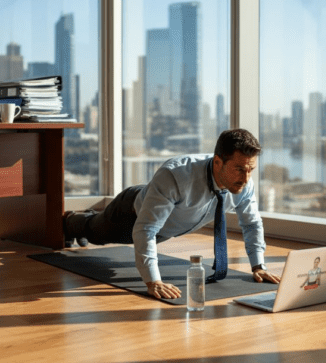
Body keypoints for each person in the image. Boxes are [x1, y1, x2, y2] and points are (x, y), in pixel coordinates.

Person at [63, 128, 281, 299]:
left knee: (109, 236)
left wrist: (258, 265)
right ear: (217, 162)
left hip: (165, 223)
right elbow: (146, 228)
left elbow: (251, 224)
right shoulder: (177, 175)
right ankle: (70, 221)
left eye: (251, 169)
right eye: (240, 169)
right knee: (97, 233)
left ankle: (82, 221)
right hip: (130, 213)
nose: (246, 178)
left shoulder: (243, 184)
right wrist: (153, 281)